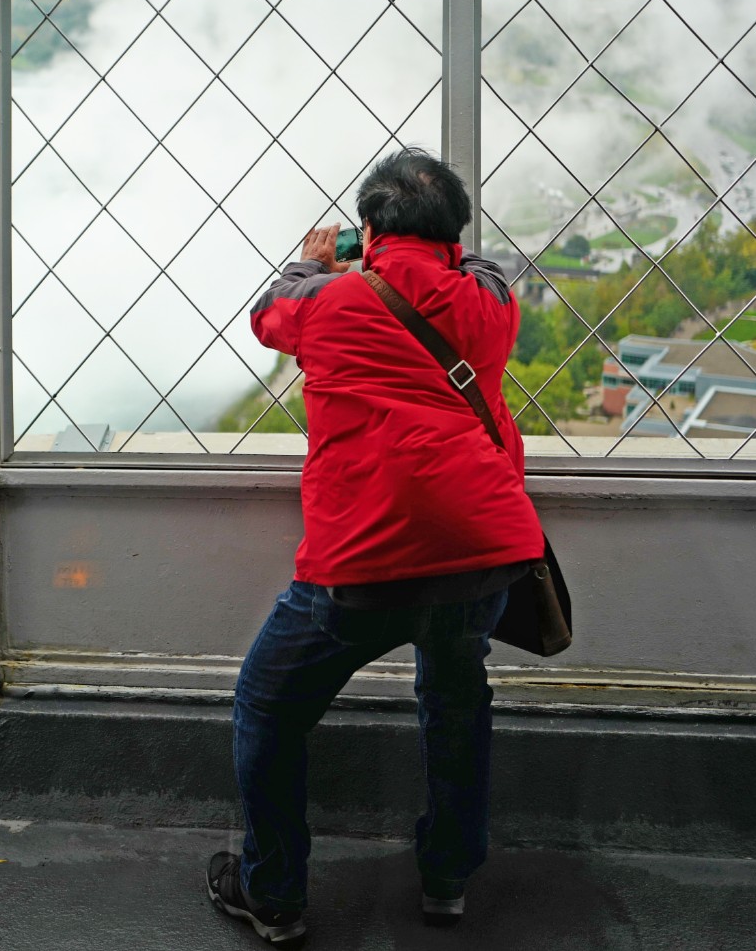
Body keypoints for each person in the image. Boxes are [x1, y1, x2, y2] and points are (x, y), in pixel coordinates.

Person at [206, 147, 545, 945]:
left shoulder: (332, 301)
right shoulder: (490, 306)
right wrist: (432, 254)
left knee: (266, 703)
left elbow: (267, 311)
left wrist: (316, 259)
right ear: (454, 234)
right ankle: (449, 877)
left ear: (370, 228)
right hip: (483, 552)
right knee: (456, 703)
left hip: (363, 562)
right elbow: (491, 272)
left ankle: (276, 891)